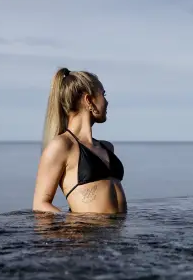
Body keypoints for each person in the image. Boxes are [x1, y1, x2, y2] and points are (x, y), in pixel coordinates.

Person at [32, 67, 126, 214]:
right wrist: (70, 226)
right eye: (103, 94)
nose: (107, 102)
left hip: (118, 235)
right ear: (88, 100)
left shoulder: (107, 147)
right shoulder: (62, 146)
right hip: (85, 235)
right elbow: (40, 205)